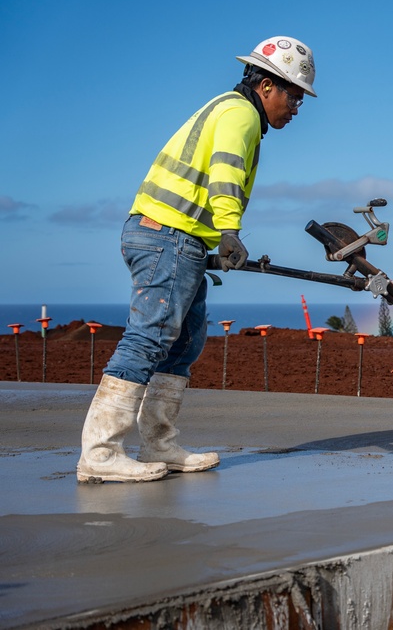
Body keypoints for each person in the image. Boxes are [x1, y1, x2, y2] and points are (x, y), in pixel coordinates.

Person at [77, 36, 317, 483]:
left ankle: (159, 445)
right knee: (149, 338)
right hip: (167, 236)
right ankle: (102, 452)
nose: (297, 105)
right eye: (294, 94)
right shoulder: (240, 113)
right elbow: (224, 172)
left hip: (177, 239)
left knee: (185, 343)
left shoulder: (230, 109)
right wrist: (228, 231)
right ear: (266, 86)